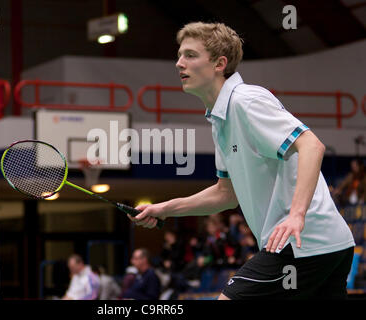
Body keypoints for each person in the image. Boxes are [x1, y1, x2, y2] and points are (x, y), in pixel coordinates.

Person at [130, 22, 355, 300]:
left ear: (219, 64)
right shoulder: (220, 118)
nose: (179, 64)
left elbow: (311, 145)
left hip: (300, 243)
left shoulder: (245, 101)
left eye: (190, 55)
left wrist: (296, 216)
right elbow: (226, 194)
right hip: (326, 244)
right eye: (179, 55)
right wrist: (164, 208)